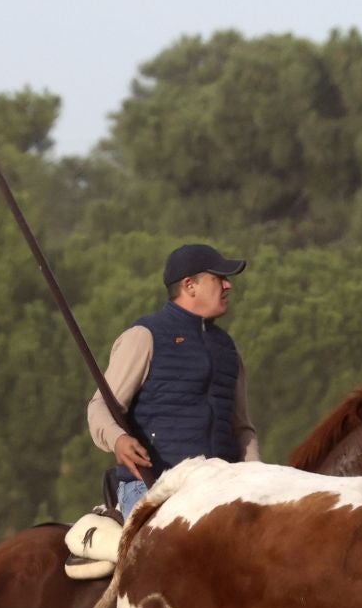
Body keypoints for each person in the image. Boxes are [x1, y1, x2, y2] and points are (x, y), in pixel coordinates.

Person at [65, 244, 261, 575]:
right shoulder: (144, 337)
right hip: (153, 488)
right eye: (220, 279)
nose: (228, 286)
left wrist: (259, 479)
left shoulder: (228, 349)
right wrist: (117, 440)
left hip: (222, 489)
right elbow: (100, 408)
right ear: (190, 286)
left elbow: (241, 429)